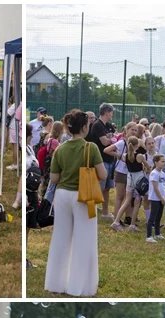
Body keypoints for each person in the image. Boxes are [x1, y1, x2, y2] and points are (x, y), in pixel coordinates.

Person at [44, 110, 107, 296]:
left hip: (62, 195)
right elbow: (103, 174)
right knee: (84, 240)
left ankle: (55, 283)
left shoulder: (60, 149)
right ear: (85, 127)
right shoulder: (91, 148)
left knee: (60, 239)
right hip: (84, 196)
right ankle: (80, 286)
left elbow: (54, 178)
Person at [110, 135, 147, 232]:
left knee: (127, 201)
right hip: (138, 179)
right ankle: (132, 225)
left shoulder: (125, 156)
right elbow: (147, 167)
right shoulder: (139, 156)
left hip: (130, 178)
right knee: (136, 202)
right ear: (137, 145)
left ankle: (116, 221)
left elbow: (119, 157)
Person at [147, 153, 165, 242]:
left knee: (159, 216)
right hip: (155, 198)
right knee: (153, 217)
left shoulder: (163, 173)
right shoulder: (154, 173)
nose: (164, 163)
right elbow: (155, 188)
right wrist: (161, 198)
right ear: (156, 162)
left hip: (161, 198)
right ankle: (149, 236)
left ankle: (157, 233)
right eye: (162, 161)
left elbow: (164, 186)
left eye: (164, 161)